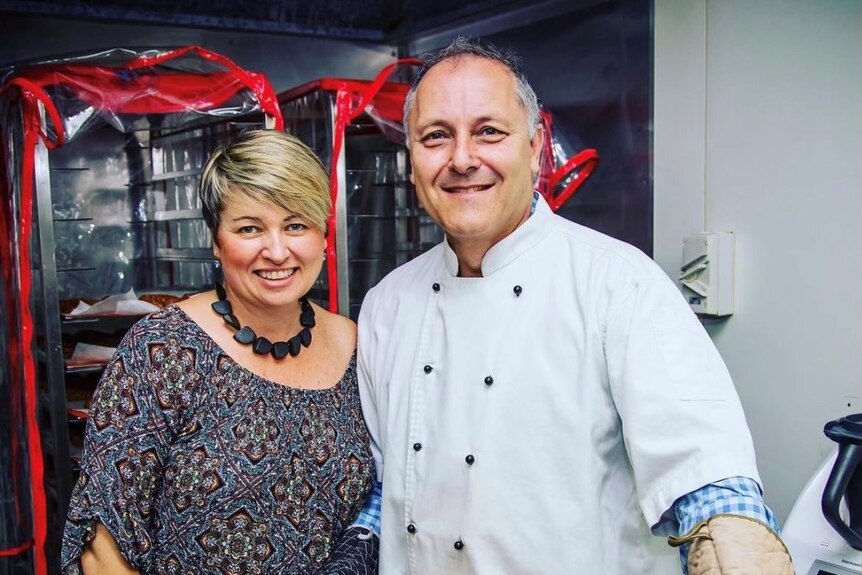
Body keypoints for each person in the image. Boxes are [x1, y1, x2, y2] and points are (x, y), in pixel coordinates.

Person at [357, 37, 794, 575]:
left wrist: (733, 541)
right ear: (412, 155)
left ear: (535, 145)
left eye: (489, 132)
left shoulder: (618, 284)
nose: (462, 159)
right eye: (436, 137)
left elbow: (703, 473)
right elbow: (388, 484)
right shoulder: (386, 306)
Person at [62, 130, 381, 574]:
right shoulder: (162, 349)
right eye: (249, 228)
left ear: (323, 236)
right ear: (216, 240)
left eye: (296, 225)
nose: (276, 250)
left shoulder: (356, 345)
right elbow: (101, 547)